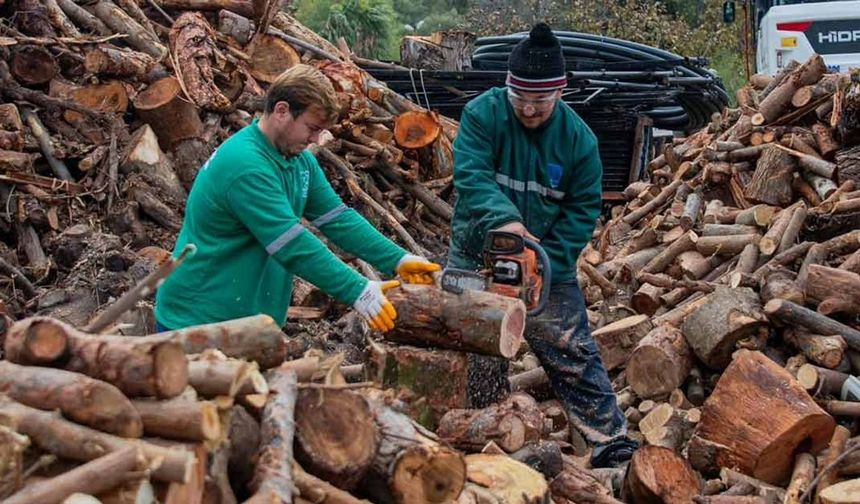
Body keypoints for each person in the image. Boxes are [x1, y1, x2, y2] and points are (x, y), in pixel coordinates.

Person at [447, 23, 638, 467]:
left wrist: (544, 259)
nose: (530, 110)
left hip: (546, 258)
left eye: (540, 101)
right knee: (478, 349)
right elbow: (471, 179)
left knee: (571, 348)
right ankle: (479, 429)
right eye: (522, 100)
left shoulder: (579, 141)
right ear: (508, 88)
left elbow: (582, 211)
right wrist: (508, 224)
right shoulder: (483, 115)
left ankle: (609, 441)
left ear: (560, 93)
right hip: (476, 251)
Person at [155, 64, 440, 333]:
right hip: (198, 320)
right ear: (281, 111)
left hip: (247, 323)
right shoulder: (245, 165)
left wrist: (398, 259)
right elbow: (291, 243)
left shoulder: (298, 160)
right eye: (312, 128)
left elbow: (338, 219)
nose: (316, 140)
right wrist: (358, 290)